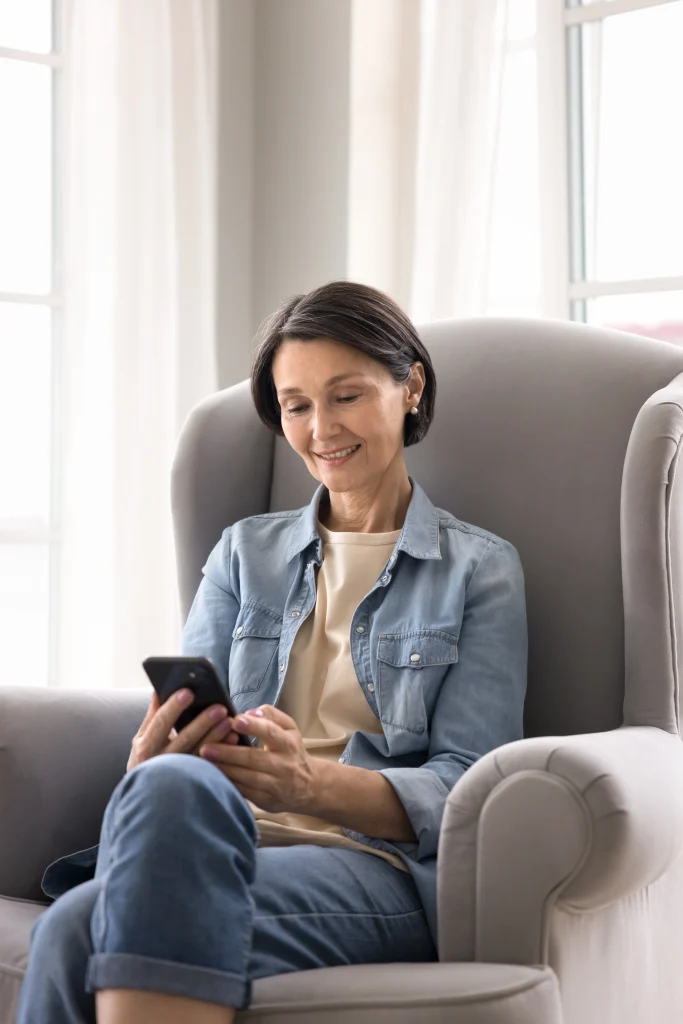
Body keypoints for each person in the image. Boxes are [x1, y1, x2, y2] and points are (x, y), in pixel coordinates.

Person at [17, 280, 528, 1024]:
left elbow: (465, 793)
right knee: (157, 801)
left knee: (74, 928)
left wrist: (308, 785)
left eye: (346, 396)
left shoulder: (480, 570)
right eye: (296, 406)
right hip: (218, 840)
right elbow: (190, 736)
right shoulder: (242, 554)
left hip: (373, 869)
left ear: (409, 386)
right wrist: (154, 757)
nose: (321, 428)